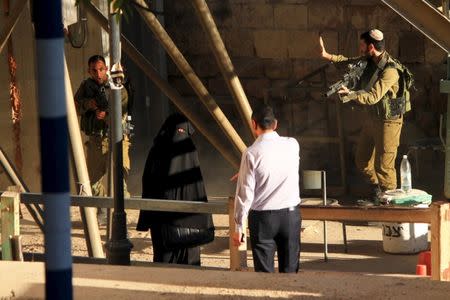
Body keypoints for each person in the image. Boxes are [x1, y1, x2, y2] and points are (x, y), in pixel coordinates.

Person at [320, 29, 405, 202]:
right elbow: (349, 62)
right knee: (362, 160)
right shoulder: (369, 60)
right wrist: (328, 56)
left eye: (362, 45)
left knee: (384, 167)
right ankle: (377, 191)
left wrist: (351, 94)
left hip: (389, 121)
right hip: (372, 118)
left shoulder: (391, 70)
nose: (360, 49)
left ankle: (391, 208)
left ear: (371, 47)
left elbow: (373, 96)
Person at [136, 113, 214, 266]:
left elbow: (148, 183)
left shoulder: (158, 150)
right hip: (190, 223)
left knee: (164, 264)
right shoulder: (189, 149)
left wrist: (147, 218)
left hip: (161, 221)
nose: (179, 136)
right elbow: (198, 189)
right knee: (188, 266)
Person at [233, 105, 301, 273]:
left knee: (264, 275)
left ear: (253, 124)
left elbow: (244, 195)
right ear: (275, 124)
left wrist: (238, 227)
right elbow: (283, 165)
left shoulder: (251, 153)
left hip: (263, 219)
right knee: (291, 273)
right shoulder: (293, 144)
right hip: (290, 216)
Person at [74, 55, 131, 223]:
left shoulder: (117, 86)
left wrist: (106, 115)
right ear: (89, 71)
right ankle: (103, 212)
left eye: (101, 69)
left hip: (116, 138)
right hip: (96, 140)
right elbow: (75, 106)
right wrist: (88, 105)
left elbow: (123, 109)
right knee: (92, 180)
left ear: (106, 69)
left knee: (119, 180)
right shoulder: (86, 86)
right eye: (94, 70)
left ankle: (121, 216)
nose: (98, 74)